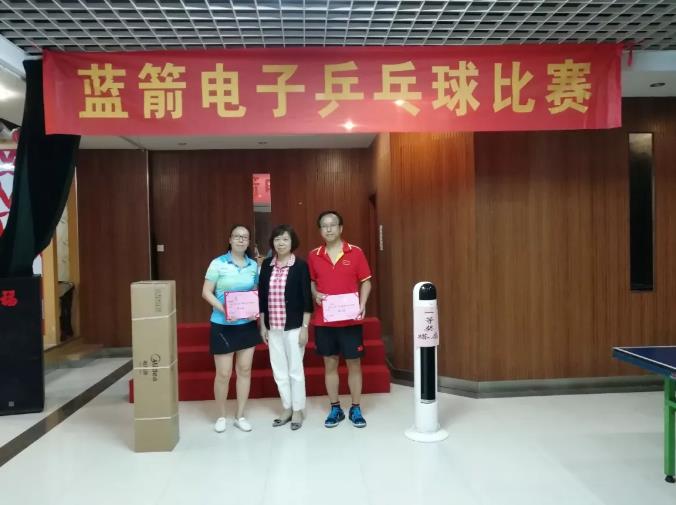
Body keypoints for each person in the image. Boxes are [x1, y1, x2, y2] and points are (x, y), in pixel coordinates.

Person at [308, 211, 372, 428]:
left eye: (332, 224)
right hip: (325, 320)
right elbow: (312, 282)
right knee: (330, 363)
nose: (328, 229)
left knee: (354, 363)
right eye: (324, 225)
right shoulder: (314, 255)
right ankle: (335, 408)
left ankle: (356, 408)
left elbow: (366, 281)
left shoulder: (356, 252)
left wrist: (362, 304)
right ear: (320, 230)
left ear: (341, 228)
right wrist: (315, 293)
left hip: (350, 319)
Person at [202, 224, 260, 433]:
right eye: (237, 236)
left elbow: (255, 290)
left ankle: (240, 415)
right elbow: (206, 292)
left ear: (248, 241)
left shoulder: (254, 265)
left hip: (247, 325)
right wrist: (224, 308)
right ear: (230, 239)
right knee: (224, 373)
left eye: (245, 237)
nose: (241, 240)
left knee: (244, 370)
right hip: (222, 325)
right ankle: (221, 416)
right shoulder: (218, 263)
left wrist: (254, 308)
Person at [258, 224, 313, 430]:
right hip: (273, 326)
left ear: (292, 242)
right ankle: (287, 407)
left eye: (285, 239)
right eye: (277, 239)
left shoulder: (300, 266)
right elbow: (262, 297)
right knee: (279, 370)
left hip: (294, 326)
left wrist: (305, 327)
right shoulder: (266, 265)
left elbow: (307, 299)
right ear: (272, 242)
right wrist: (262, 324)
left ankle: (298, 409)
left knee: (295, 370)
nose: (280, 243)